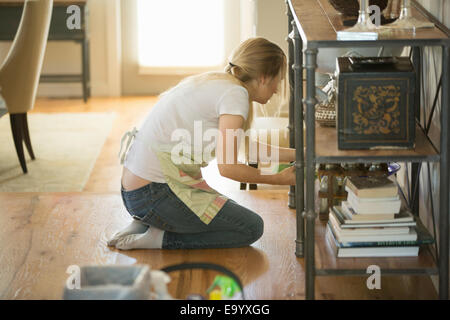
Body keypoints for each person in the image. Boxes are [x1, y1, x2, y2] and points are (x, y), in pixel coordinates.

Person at [107, 37, 296, 250]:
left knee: (230, 213)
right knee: (250, 227)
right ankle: (158, 238)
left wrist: (297, 155)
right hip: (155, 194)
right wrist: (279, 179)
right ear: (263, 78)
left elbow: (242, 146)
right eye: (277, 82)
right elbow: (228, 168)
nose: (277, 90)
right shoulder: (236, 95)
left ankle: (146, 224)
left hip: (136, 193)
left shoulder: (219, 84)